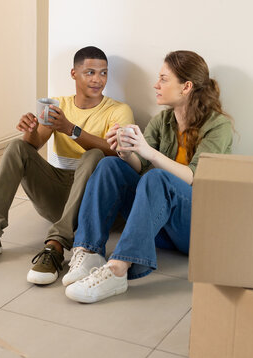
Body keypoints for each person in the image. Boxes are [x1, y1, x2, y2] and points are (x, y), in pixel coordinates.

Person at [0, 46, 134, 285]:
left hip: (96, 203)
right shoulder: (59, 106)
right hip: (57, 196)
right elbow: (33, 146)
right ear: (73, 74)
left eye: (103, 73)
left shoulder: (118, 110)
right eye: (90, 72)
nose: (98, 79)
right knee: (16, 147)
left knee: (95, 155)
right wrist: (29, 132)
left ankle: (56, 246)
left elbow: (119, 152)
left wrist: (71, 129)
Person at [63, 50, 234, 303]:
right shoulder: (162, 120)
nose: (156, 85)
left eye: (164, 79)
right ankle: (89, 250)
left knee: (158, 178)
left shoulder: (218, 126)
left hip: (196, 227)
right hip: (157, 224)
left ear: (186, 87)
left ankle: (118, 269)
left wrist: (148, 152)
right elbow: (139, 165)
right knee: (111, 164)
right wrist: (126, 150)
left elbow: (194, 177)